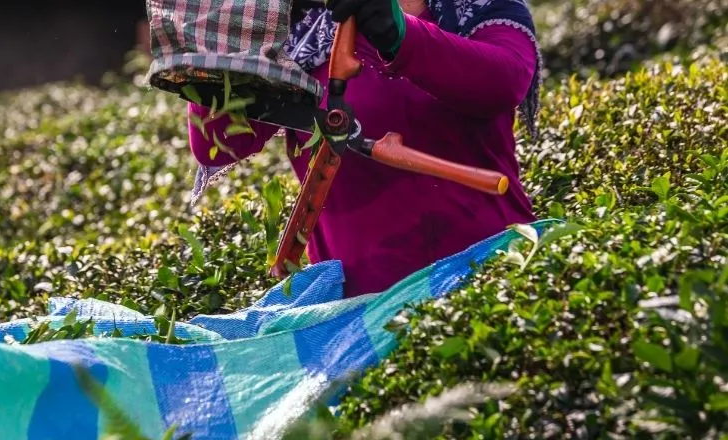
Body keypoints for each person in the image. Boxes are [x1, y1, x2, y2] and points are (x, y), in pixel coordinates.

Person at [186, 0, 542, 297]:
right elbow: (218, 145)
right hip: (362, 316)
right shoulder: (294, 35)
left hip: (496, 278)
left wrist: (400, 35)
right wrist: (222, 41)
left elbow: (503, 81)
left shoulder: (475, 7)